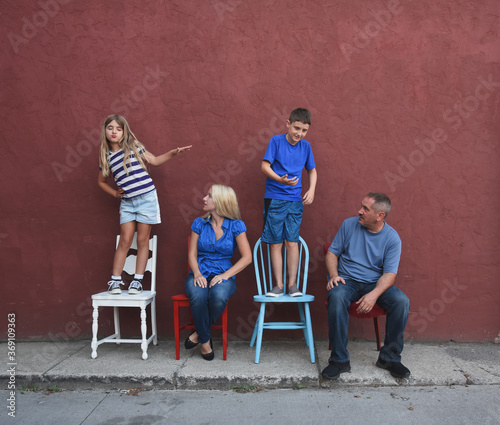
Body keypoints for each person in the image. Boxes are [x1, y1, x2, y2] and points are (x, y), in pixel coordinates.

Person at [98, 114, 191, 295]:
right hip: (127, 202)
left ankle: (137, 281)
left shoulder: (133, 147)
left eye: (118, 128)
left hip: (146, 199)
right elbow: (101, 182)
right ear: (105, 131)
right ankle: (115, 280)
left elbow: (154, 161)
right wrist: (115, 193)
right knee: (125, 239)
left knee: (142, 240)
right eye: (110, 128)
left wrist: (173, 153)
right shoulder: (106, 157)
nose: (114, 132)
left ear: (124, 132)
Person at [322, 193, 411, 380]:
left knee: (401, 301)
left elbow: (389, 275)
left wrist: (374, 294)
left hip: (374, 283)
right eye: (361, 206)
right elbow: (332, 253)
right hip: (347, 281)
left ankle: (389, 358)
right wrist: (334, 275)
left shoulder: (392, 238)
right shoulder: (349, 224)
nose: (359, 211)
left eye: (365, 209)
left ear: (380, 215)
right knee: (336, 297)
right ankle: (339, 361)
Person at [184, 184, 252, 360]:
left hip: (224, 273)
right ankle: (205, 342)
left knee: (219, 296)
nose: (204, 199)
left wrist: (224, 276)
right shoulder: (199, 223)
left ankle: (198, 335)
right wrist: (197, 274)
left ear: (220, 201)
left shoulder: (236, 226)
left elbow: (247, 257)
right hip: (200, 271)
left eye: (209, 196)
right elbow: (191, 255)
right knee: (198, 297)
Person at [261, 107, 317, 297]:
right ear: (288, 124)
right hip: (275, 198)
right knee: (275, 243)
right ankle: (278, 285)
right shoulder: (276, 141)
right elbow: (264, 166)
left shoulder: (306, 146)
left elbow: (312, 170)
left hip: (295, 201)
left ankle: (292, 285)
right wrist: (280, 179)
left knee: (292, 242)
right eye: (297, 128)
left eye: (304, 130)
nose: (299, 133)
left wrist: (312, 189)